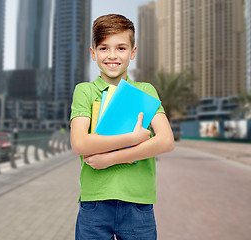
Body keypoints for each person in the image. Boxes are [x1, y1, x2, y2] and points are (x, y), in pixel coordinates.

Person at [70, 14, 175, 239]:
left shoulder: (145, 90)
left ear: (133, 52)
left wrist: (108, 159)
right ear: (93, 53)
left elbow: (166, 141)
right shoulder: (85, 91)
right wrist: (134, 138)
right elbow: (79, 143)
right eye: (104, 48)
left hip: (138, 204)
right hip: (95, 203)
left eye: (121, 48)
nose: (112, 56)